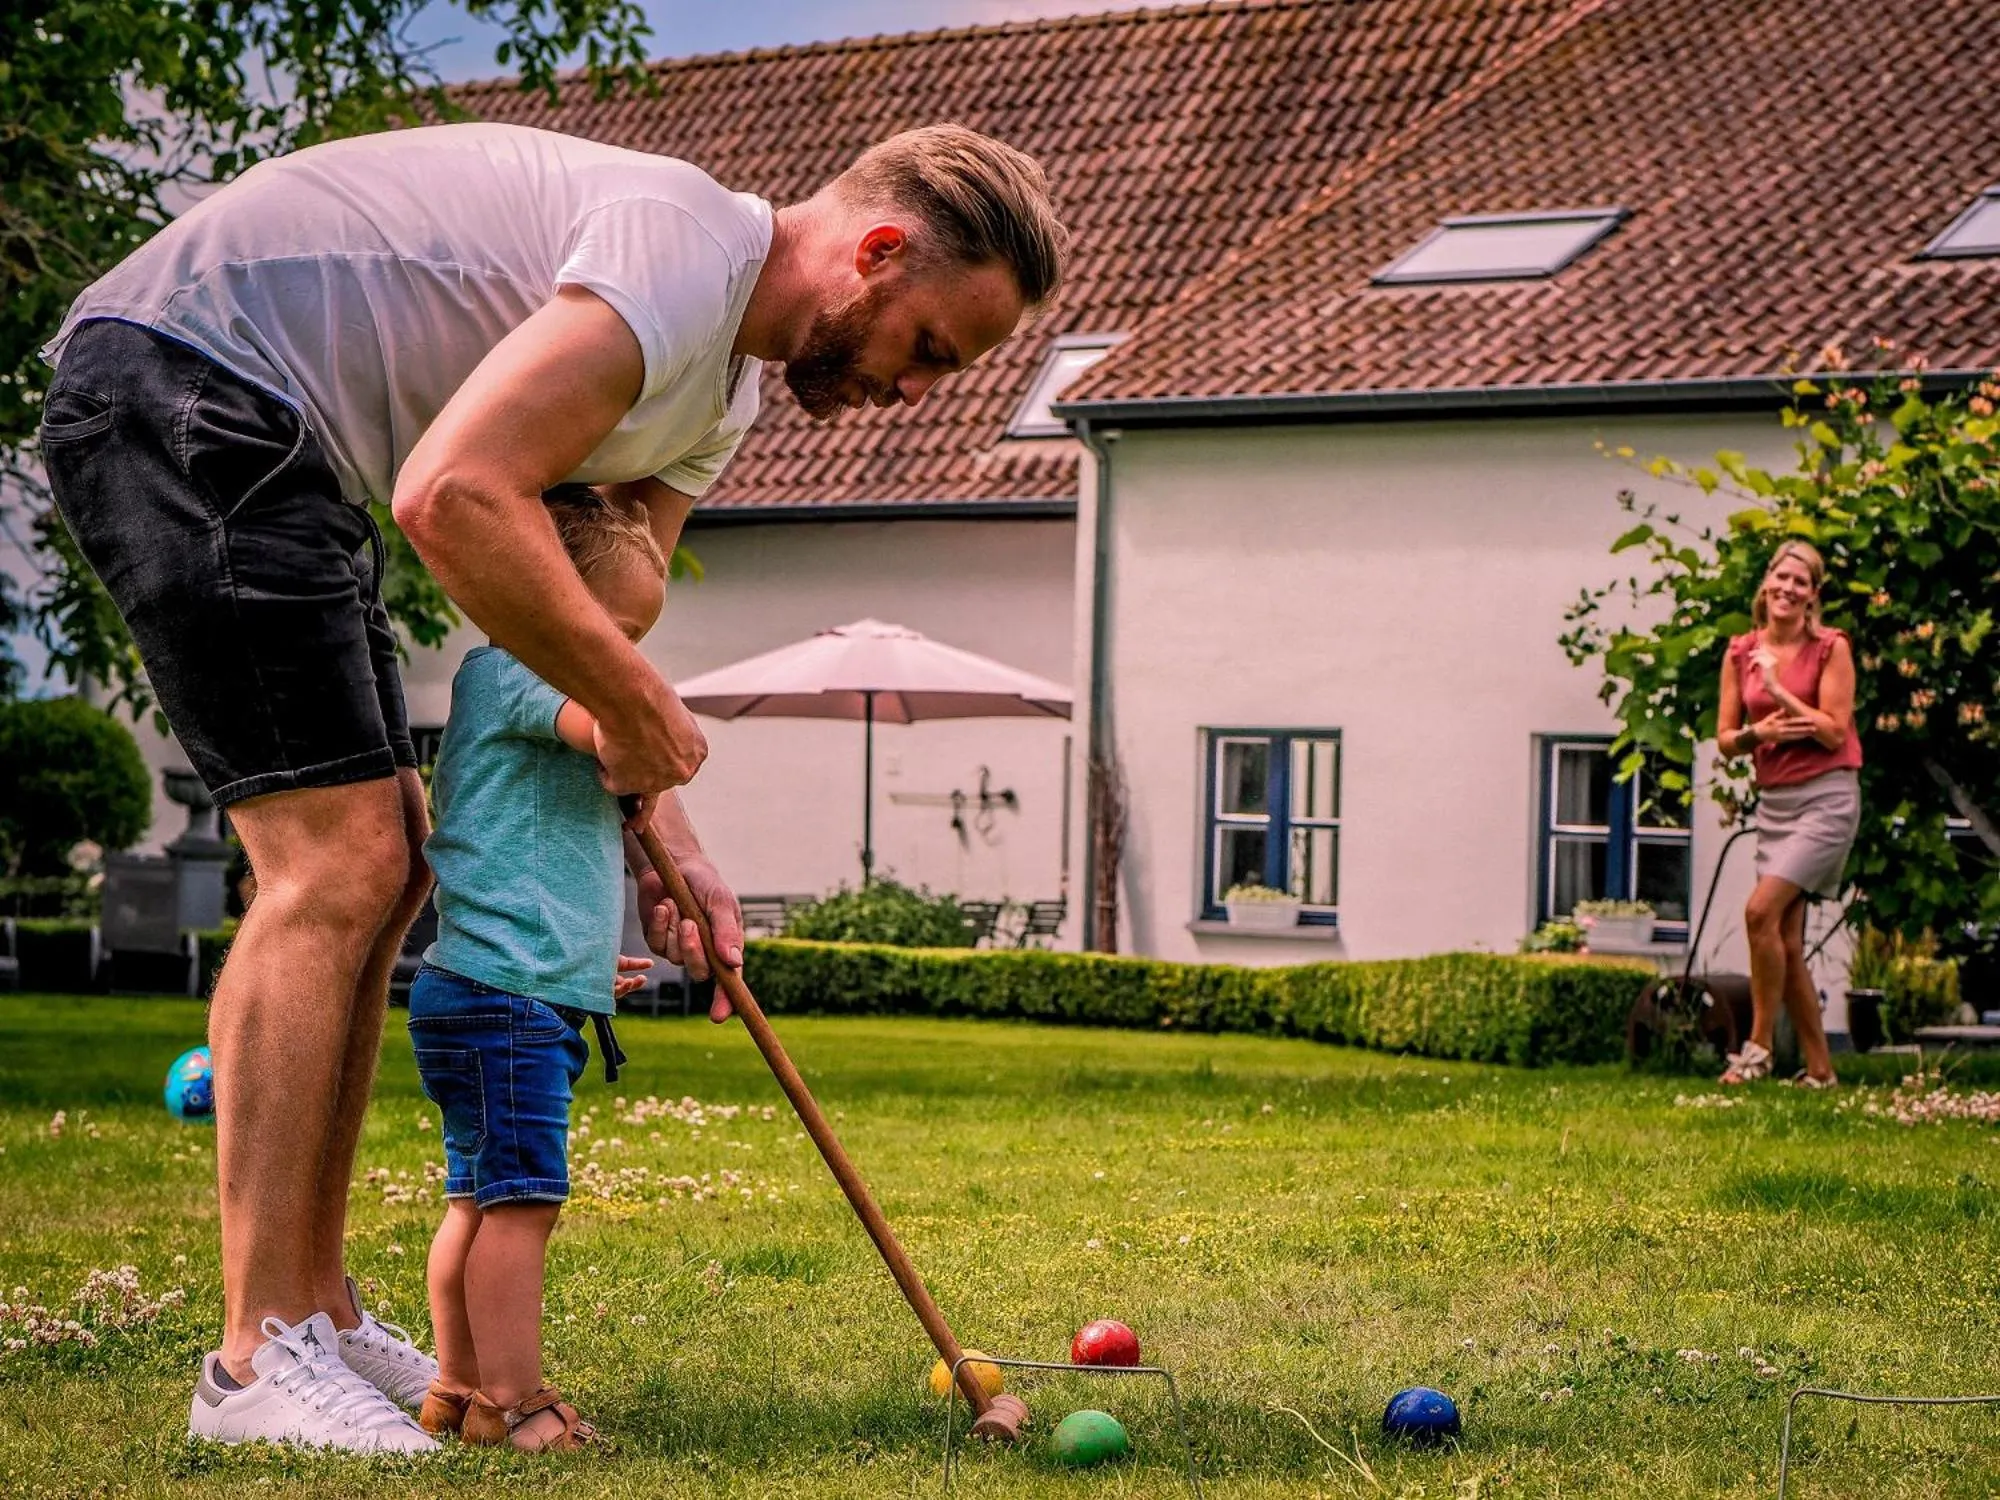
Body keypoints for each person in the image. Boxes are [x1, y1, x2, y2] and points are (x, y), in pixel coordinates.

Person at [37, 120, 1067, 1450]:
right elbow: (455, 495)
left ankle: (319, 1310)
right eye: (929, 346)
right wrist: (639, 718)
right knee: (334, 863)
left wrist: (677, 849)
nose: (918, 390)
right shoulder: (680, 251)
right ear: (875, 252)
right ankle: (255, 1358)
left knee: (390, 862)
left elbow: (589, 626)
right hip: (186, 375)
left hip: (292, 451)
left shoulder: (718, 402)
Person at [411, 487, 663, 1452]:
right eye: (617, 633)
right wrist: (649, 732)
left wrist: (584, 968)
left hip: (498, 988)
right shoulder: (515, 670)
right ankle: (516, 1403)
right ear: (542, 598)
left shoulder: (514, 685)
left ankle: (457, 1388)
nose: (626, 657)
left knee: (476, 1201)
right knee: (521, 1206)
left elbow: (539, 857)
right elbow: (620, 733)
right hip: (503, 1000)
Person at [1714, 540, 1862, 1086]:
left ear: (1813, 595)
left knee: (1759, 913)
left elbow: (1833, 731)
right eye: (1782, 577)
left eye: (1801, 582)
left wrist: (1778, 689)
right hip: (1776, 802)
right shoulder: (1740, 652)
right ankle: (1821, 1069)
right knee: (1787, 940)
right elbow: (1726, 739)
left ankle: (1757, 1049)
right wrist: (1758, 733)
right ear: (1767, 583)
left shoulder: (1830, 648)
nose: (1788, 588)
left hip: (1826, 799)